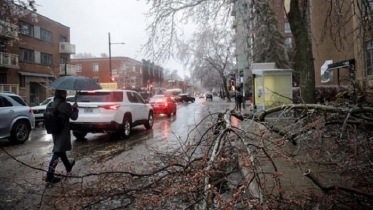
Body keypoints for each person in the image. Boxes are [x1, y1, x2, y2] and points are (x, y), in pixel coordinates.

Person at [46, 89, 79, 183]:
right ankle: (49, 175)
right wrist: (75, 108)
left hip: (54, 130)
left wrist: (70, 107)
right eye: (65, 92)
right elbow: (74, 117)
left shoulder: (53, 103)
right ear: (61, 94)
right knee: (57, 151)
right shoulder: (65, 104)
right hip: (62, 131)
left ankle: (68, 167)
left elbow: (61, 112)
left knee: (61, 149)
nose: (66, 94)